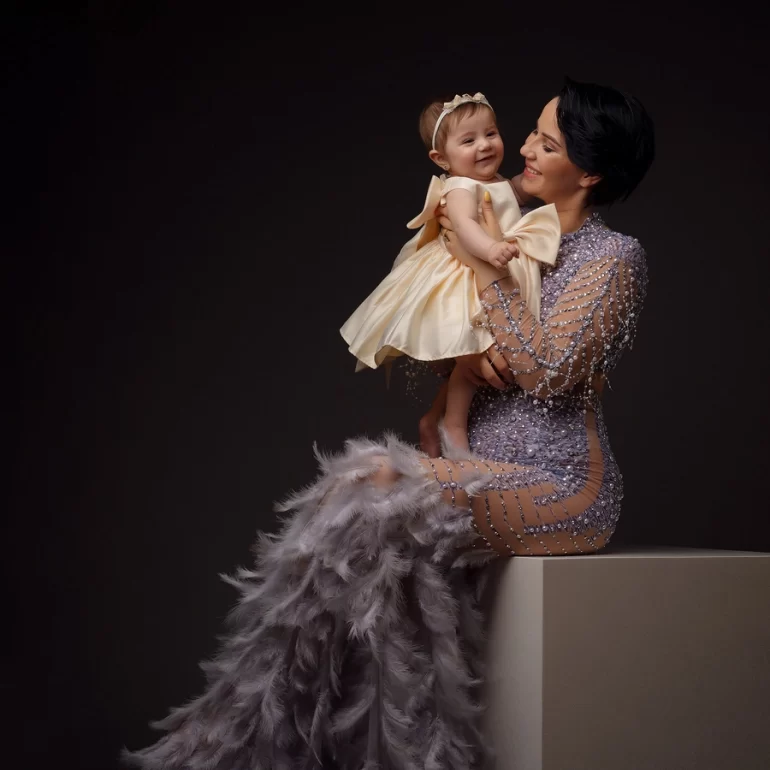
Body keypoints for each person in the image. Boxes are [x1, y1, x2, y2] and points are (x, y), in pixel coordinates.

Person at [122, 76, 654, 770]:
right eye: (530, 131)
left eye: (545, 143)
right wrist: (457, 370)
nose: (520, 146)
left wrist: (483, 271)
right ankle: (295, 730)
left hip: (561, 485)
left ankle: (255, 735)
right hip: (476, 461)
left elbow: (544, 373)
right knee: (353, 515)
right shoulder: (505, 227)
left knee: (367, 487)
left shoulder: (613, 258)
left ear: (589, 171)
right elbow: (429, 358)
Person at [341, 91, 561, 454]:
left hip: (495, 268)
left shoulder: (493, 182)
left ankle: (434, 416)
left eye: (491, 133)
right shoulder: (460, 187)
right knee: (481, 351)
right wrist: (491, 249)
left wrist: (541, 180)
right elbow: (463, 227)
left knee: (486, 352)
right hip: (470, 274)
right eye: (469, 140)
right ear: (441, 159)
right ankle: (452, 423)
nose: (485, 146)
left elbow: (517, 191)